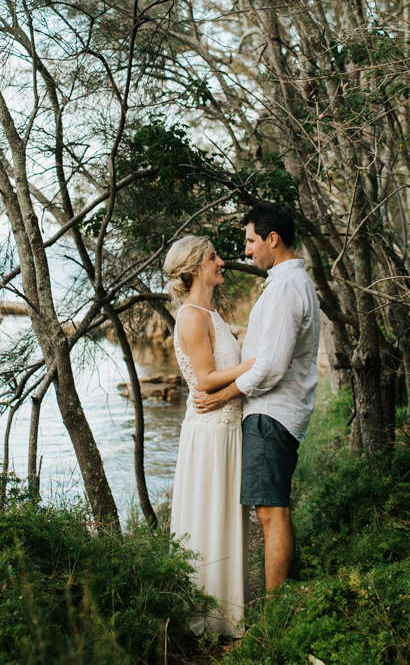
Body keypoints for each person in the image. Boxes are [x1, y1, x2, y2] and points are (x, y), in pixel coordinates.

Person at [193, 202, 320, 594]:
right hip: (276, 413)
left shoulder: (284, 287)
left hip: (272, 415)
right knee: (274, 508)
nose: (247, 251)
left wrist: (223, 395)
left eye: (250, 241)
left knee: (269, 513)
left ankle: (274, 618)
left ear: (272, 239)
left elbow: (270, 366)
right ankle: (284, 602)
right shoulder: (290, 283)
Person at [164, 235, 256, 637]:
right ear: (194, 268)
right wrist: (255, 364)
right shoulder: (190, 317)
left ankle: (227, 612)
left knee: (226, 516)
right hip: (210, 434)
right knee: (209, 515)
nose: (222, 261)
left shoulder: (209, 311)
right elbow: (203, 379)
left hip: (227, 427)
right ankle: (204, 618)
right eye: (213, 257)